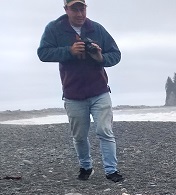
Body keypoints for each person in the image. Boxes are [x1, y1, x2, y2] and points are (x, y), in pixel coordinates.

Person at [38, 1, 123, 182]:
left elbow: (115, 54)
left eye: (82, 8)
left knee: (105, 130)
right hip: (73, 93)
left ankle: (111, 170)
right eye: (74, 9)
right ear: (66, 9)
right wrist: (69, 51)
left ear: (86, 8)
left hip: (99, 90)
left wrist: (100, 57)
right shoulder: (54, 29)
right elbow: (43, 53)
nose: (79, 13)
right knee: (79, 136)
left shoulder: (96, 29)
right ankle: (86, 167)